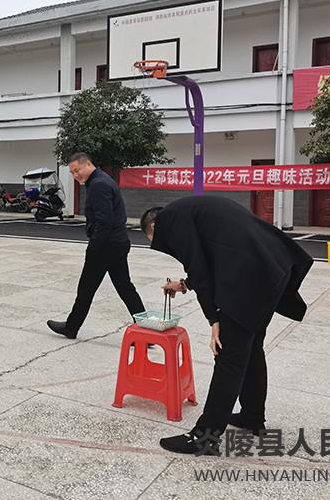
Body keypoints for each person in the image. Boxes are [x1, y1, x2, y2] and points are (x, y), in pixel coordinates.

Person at [140, 196, 313, 455]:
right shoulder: (191, 210)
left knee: (228, 355)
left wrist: (214, 320)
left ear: (153, 228)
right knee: (251, 347)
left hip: (251, 275)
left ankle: (205, 436)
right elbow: (213, 258)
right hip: (270, 269)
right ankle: (253, 417)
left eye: (154, 242)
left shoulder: (170, 220)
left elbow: (199, 265)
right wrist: (184, 285)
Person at [47, 152, 145, 339]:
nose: (76, 176)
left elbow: (104, 221)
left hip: (105, 246)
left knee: (86, 288)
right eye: (72, 173)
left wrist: (94, 246)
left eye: (77, 171)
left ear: (88, 165)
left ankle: (71, 327)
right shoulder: (101, 180)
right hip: (117, 243)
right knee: (125, 288)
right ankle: (147, 330)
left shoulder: (99, 184)